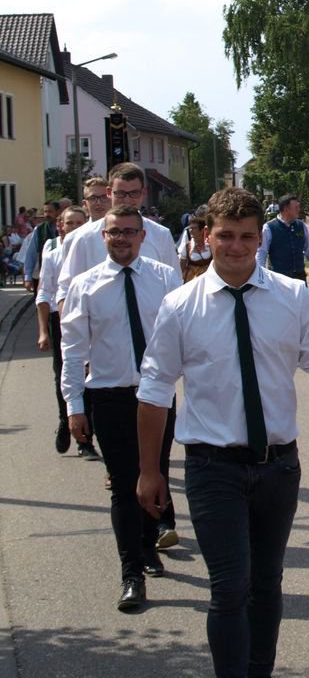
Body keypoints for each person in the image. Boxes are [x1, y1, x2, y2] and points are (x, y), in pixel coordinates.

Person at [137, 187, 309, 677]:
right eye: (226, 236)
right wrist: (148, 471)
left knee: (266, 583)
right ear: (207, 236)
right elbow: (155, 389)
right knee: (228, 587)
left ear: (260, 238)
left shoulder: (293, 298)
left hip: (277, 466)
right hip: (212, 467)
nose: (237, 246)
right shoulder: (181, 305)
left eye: (247, 236)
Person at [60, 206, 181, 611]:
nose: (122, 239)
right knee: (124, 484)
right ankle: (131, 574)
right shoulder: (85, 286)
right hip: (110, 395)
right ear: (104, 237)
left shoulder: (164, 278)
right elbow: (72, 351)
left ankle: (148, 546)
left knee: (155, 474)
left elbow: (184, 337)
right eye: (114, 232)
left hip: (156, 395)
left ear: (142, 236)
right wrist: (74, 406)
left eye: (130, 232)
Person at [57, 163, 182, 307]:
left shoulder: (161, 235)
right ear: (109, 192)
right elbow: (66, 291)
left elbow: (175, 289)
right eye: (120, 193)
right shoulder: (84, 239)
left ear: (144, 193)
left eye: (134, 193)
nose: (127, 200)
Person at [37, 204, 88, 455]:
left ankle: (86, 436)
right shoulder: (53, 255)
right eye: (70, 223)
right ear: (61, 226)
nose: (75, 228)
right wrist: (43, 331)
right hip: (61, 319)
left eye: (80, 223)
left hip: (89, 318)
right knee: (64, 372)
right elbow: (44, 293)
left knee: (91, 374)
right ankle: (65, 418)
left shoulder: (92, 251)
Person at [256, 194, 309, 286]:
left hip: (299, 278)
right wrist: (260, 277)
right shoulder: (269, 228)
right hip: (278, 280)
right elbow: (261, 253)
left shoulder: (301, 225)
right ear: (286, 208)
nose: (299, 209)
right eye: (296, 207)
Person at [177, 209, 213, 282]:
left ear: (202, 230)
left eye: (194, 228)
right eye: (190, 228)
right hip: (191, 280)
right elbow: (181, 267)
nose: (190, 231)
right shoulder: (187, 246)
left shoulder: (210, 245)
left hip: (208, 280)